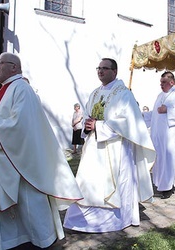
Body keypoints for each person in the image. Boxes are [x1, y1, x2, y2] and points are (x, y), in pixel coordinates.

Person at [0, 52, 83, 249]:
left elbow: (21, 124)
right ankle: (15, 239)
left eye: (1, 63)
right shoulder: (5, 89)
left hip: (21, 160)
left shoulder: (21, 88)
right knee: (10, 203)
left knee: (29, 200)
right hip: (3, 155)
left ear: (14, 67)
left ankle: (42, 239)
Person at [63, 58, 156, 232]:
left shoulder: (124, 94)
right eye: (99, 68)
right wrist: (88, 125)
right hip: (94, 146)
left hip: (116, 147)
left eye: (105, 68)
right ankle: (83, 218)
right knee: (89, 181)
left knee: (113, 182)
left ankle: (116, 219)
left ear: (114, 71)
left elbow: (129, 122)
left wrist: (99, 126)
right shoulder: (95, 93)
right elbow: (89, 116)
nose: (100, 71)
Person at [149, 72, 175, 199]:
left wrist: (168, 110)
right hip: (159, 134)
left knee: (169, 159)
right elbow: (155, 113)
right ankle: (159, 183)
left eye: (164, 82)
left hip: (171, 135)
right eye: (160, 82)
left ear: (171, 82)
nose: (161, 85)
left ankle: (167, 187)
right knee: (160, 159)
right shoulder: (160, 95)